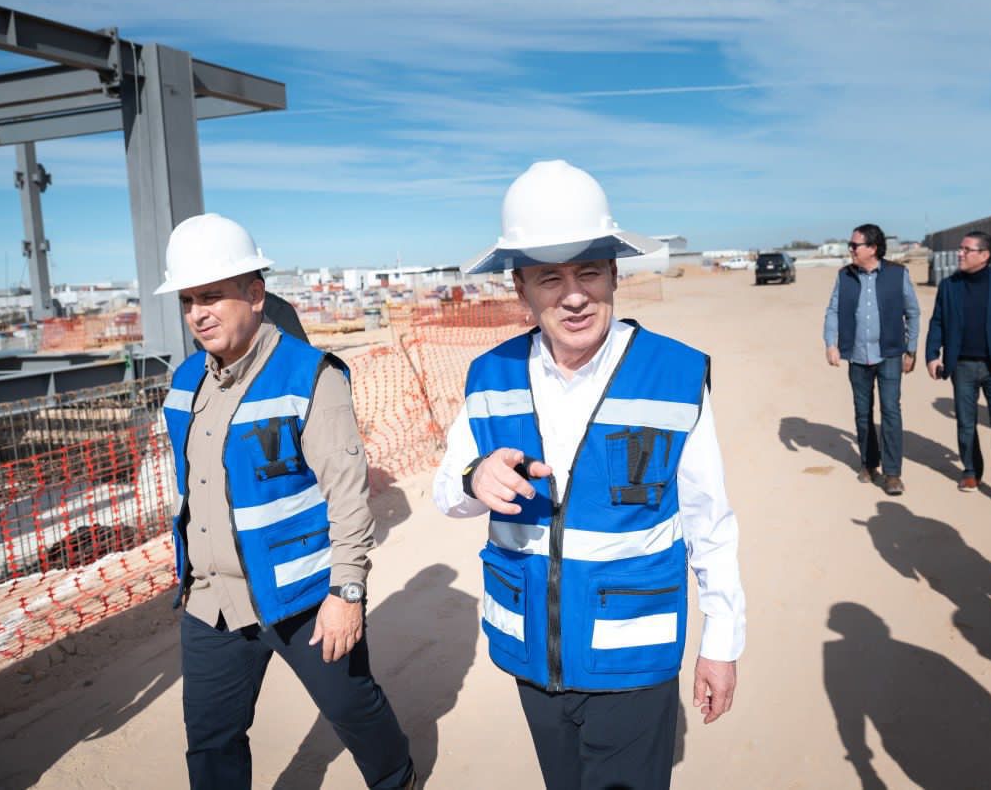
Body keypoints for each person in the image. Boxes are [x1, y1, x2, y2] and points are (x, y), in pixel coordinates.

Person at [433, 161, 745, 790]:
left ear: (614, 276)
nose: (574, 296)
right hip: (532, 654)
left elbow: (709, 521)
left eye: (589, 273)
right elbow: (447, 491)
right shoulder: (489, 376)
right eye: (550, 278)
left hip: (633, 656)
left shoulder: (674, 375)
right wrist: (474, 479)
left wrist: (722, 640)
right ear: (520, 287)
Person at [156, 213, 415, 789]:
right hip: (212, 599)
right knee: (211, 738)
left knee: (352, 708)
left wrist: (347, 593)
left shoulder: (310, 376)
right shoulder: (185, 381)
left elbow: (348, 499)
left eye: (213, 297)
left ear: (255, 295)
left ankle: (396, 776)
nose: (198, 313)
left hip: (302, 597)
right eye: (189, 300)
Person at [924, 231, 991, 505]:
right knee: (966, 423)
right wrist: (932, 355)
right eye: (961, 249)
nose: (960, 253)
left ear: (984, 255)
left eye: (966, 250)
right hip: (962, 365)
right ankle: (971, 471)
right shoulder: (949, 285)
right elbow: (937, 322)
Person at [823, 223, 921, 496]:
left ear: (873, 248)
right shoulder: (845, 276)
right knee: (862, 413)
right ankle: (869, 464)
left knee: (890, 411)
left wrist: (911, 350)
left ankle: (893, 473)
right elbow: (833, 311)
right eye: (850, 245)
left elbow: (913, 312)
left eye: (855, 245)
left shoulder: (897, 274)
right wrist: (831, 344)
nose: (851, 250)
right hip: (857, 356)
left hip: (889, 354)